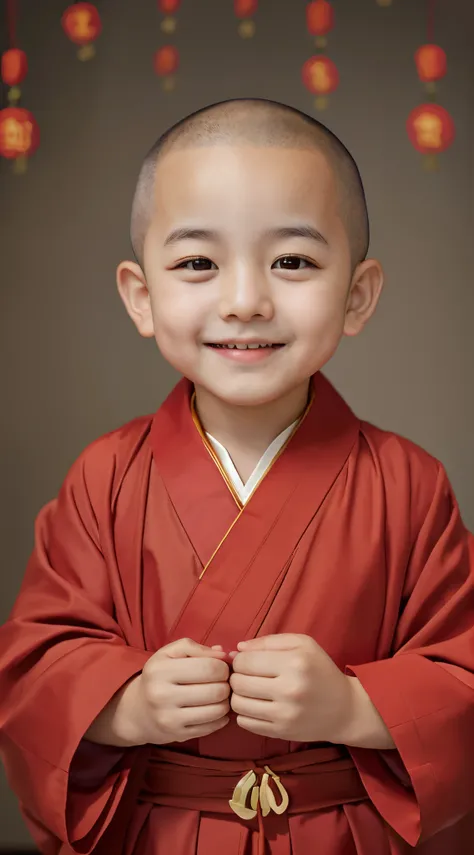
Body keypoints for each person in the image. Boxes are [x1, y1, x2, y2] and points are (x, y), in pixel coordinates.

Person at [0, 98, 473, 855]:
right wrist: (125, 704)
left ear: (357, 294)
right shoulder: (104, 478)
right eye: (197, 263)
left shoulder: (409, 486)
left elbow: (462, 669)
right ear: (141, 296)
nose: (246, 299)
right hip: (156, 832)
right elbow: (33, 668)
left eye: (293, 261)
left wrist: (355, 706)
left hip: (344, 835)